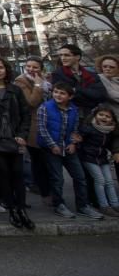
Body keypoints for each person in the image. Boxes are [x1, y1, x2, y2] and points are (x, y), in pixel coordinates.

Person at [0, 56, 33, 229]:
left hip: (14, 137)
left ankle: (21, 208)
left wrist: (22, 135)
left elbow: (25, 114)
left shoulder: (15, 90)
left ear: (6, 69)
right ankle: (11, 208)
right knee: (2, 173)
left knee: (18, 173)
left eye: (1, 67)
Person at [37, 81, 103, 220]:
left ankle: (83, 205)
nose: (58, 95)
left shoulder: (74, 109)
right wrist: (52, 145)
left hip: (68, 147)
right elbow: (42, 129)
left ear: (70, 96)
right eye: (56, 92)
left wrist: (73, 143)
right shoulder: (45, 107)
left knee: (80, 177)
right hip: (51, 148)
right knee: (57, 178)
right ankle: (59, 204)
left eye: (62, 93)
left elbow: (74, 129)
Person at [15, 56, 53, 205]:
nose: (31, 69)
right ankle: (44, 191)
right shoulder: (21, 81)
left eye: (35, 67)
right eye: (28, 66)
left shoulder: (45, 80)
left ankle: (51, 189)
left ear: (41, 68)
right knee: (38, 159)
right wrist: (37, 86)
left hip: (48, 122)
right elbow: (30, 102)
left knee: (49, 159)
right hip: (33, 124)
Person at [78, 104, 119, 217]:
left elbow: (112, 144)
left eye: (107, 116)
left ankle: (115, 204)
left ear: (112, 120)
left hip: (102, 158)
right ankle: (104, 206)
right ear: (95, 116)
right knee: (100, 180)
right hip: (88, 158)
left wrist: (116, 152)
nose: (104, 117)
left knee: (109, 181)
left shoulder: (110, 131)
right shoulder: (88, 128)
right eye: (101, 114)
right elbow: (78, 138)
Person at [51, 44, 106, 120]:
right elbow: (65, 97)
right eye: (61, 55)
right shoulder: (58, 75)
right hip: (71, 115)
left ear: (77, 57)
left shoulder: (91, 75)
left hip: (92, 114)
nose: (63, 58)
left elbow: (101, 95)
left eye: (67, 55)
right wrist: (88, 94)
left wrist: (77, 89)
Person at [94, 54, 119, 121]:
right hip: (110, 119)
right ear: (101, 67)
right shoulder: (99, 78)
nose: (108, 69)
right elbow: (111, 94)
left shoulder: (116, 80)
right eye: (105, 66)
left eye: (112, 67)